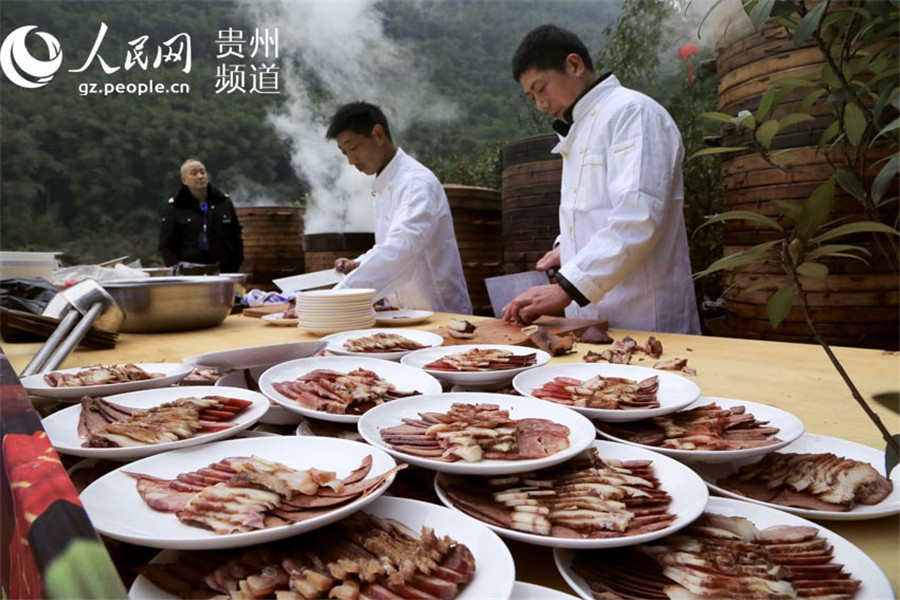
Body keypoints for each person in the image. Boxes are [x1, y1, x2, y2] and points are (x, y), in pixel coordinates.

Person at [502, 25, 701, 334]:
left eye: (541, 89)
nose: (541, 104)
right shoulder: (580, 127)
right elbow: (591, 211)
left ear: (574, 65)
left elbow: (637, 217)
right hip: (593, 317)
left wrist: (566, 288)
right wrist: (564, 247)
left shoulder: (632, 113)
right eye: (532, 97)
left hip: (644, 316)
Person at [325, 101, 472, 314]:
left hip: (440, 314)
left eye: (354, 148)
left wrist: (336, 300)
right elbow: (389, 244)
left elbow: (401, 248)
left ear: (378, 134)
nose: (351, 161)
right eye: (344, 152)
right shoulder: (385, 184)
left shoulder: (415, 182)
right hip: (404, 314)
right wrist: (359, 263)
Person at [158, 159, 244, 273]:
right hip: (189, 272)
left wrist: (234, 263)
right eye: (194, 173)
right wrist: (177, 268)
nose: (200, 176)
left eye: (202, 172)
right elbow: (166, 243)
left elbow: (236, 237)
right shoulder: (176, 206)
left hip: (222, 269)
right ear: (184, 180)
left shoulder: (223, 202)